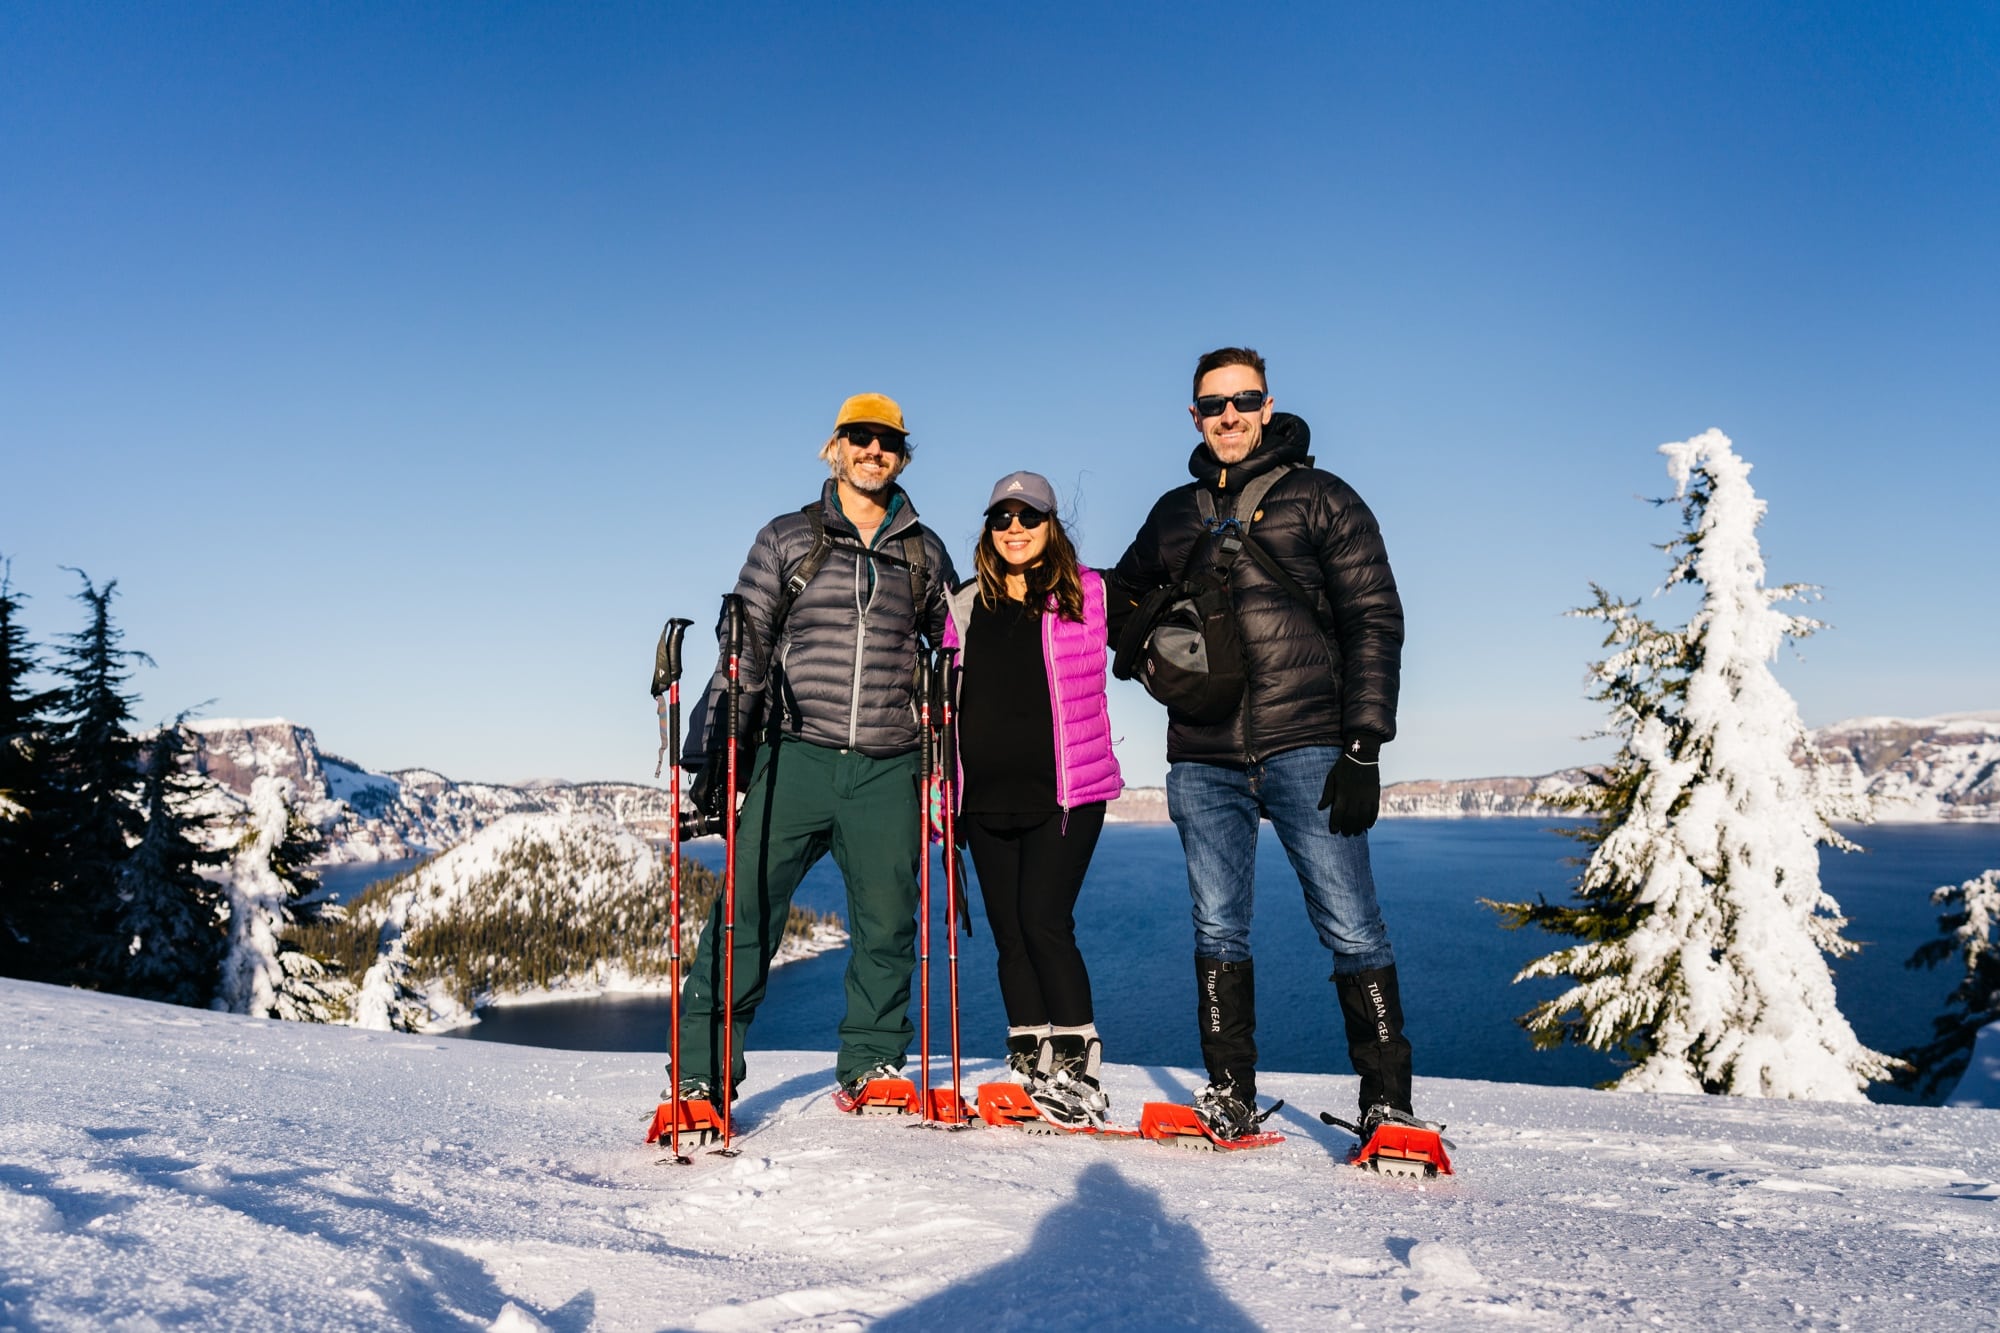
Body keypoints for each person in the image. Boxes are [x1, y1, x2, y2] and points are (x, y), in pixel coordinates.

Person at [1107, 346, 1425, 1142]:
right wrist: (1149, 660)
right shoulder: (1174, 513)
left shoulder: (1322, 497)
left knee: (1353, 925)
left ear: (1268, 403)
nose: (1229, 416)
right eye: (1214, 405)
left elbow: (1374, 621)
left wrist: (1364, 746)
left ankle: (1387, 1100)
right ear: (1194, 416)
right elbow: (1119, 598)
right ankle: (1229, 1092)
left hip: (1308, 745)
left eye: (1243, 400)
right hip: (1203, 755)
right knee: (1216, 926)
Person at [674, 392, 957, 1109]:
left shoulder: (924, 551)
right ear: (835, 447)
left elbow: (954, 651)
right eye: (860, 437)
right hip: (794, 754)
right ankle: (703, 1071)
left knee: (888, 923)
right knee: (745, 911)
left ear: (903, 453)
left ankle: (872, 1060)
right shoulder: (788, 538)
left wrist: (947, 753)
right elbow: (745, 644)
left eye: (888, 441)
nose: (874, 451)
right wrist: (717, 747)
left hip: (890, 763)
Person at [942, 471, 1122, 1127]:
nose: (1015, 528)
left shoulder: (1092, 594)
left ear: (1052, 526)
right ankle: (1028, 1057)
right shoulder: (962, 608)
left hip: (1067, 794)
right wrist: (944, 798)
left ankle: (1078, 1067)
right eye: (1002, 518)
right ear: (989, 531)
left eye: (1029, 516)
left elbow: (1160, 631)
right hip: (984, 798)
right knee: (1010, 934)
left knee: (1045, 921)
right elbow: (943, 705)